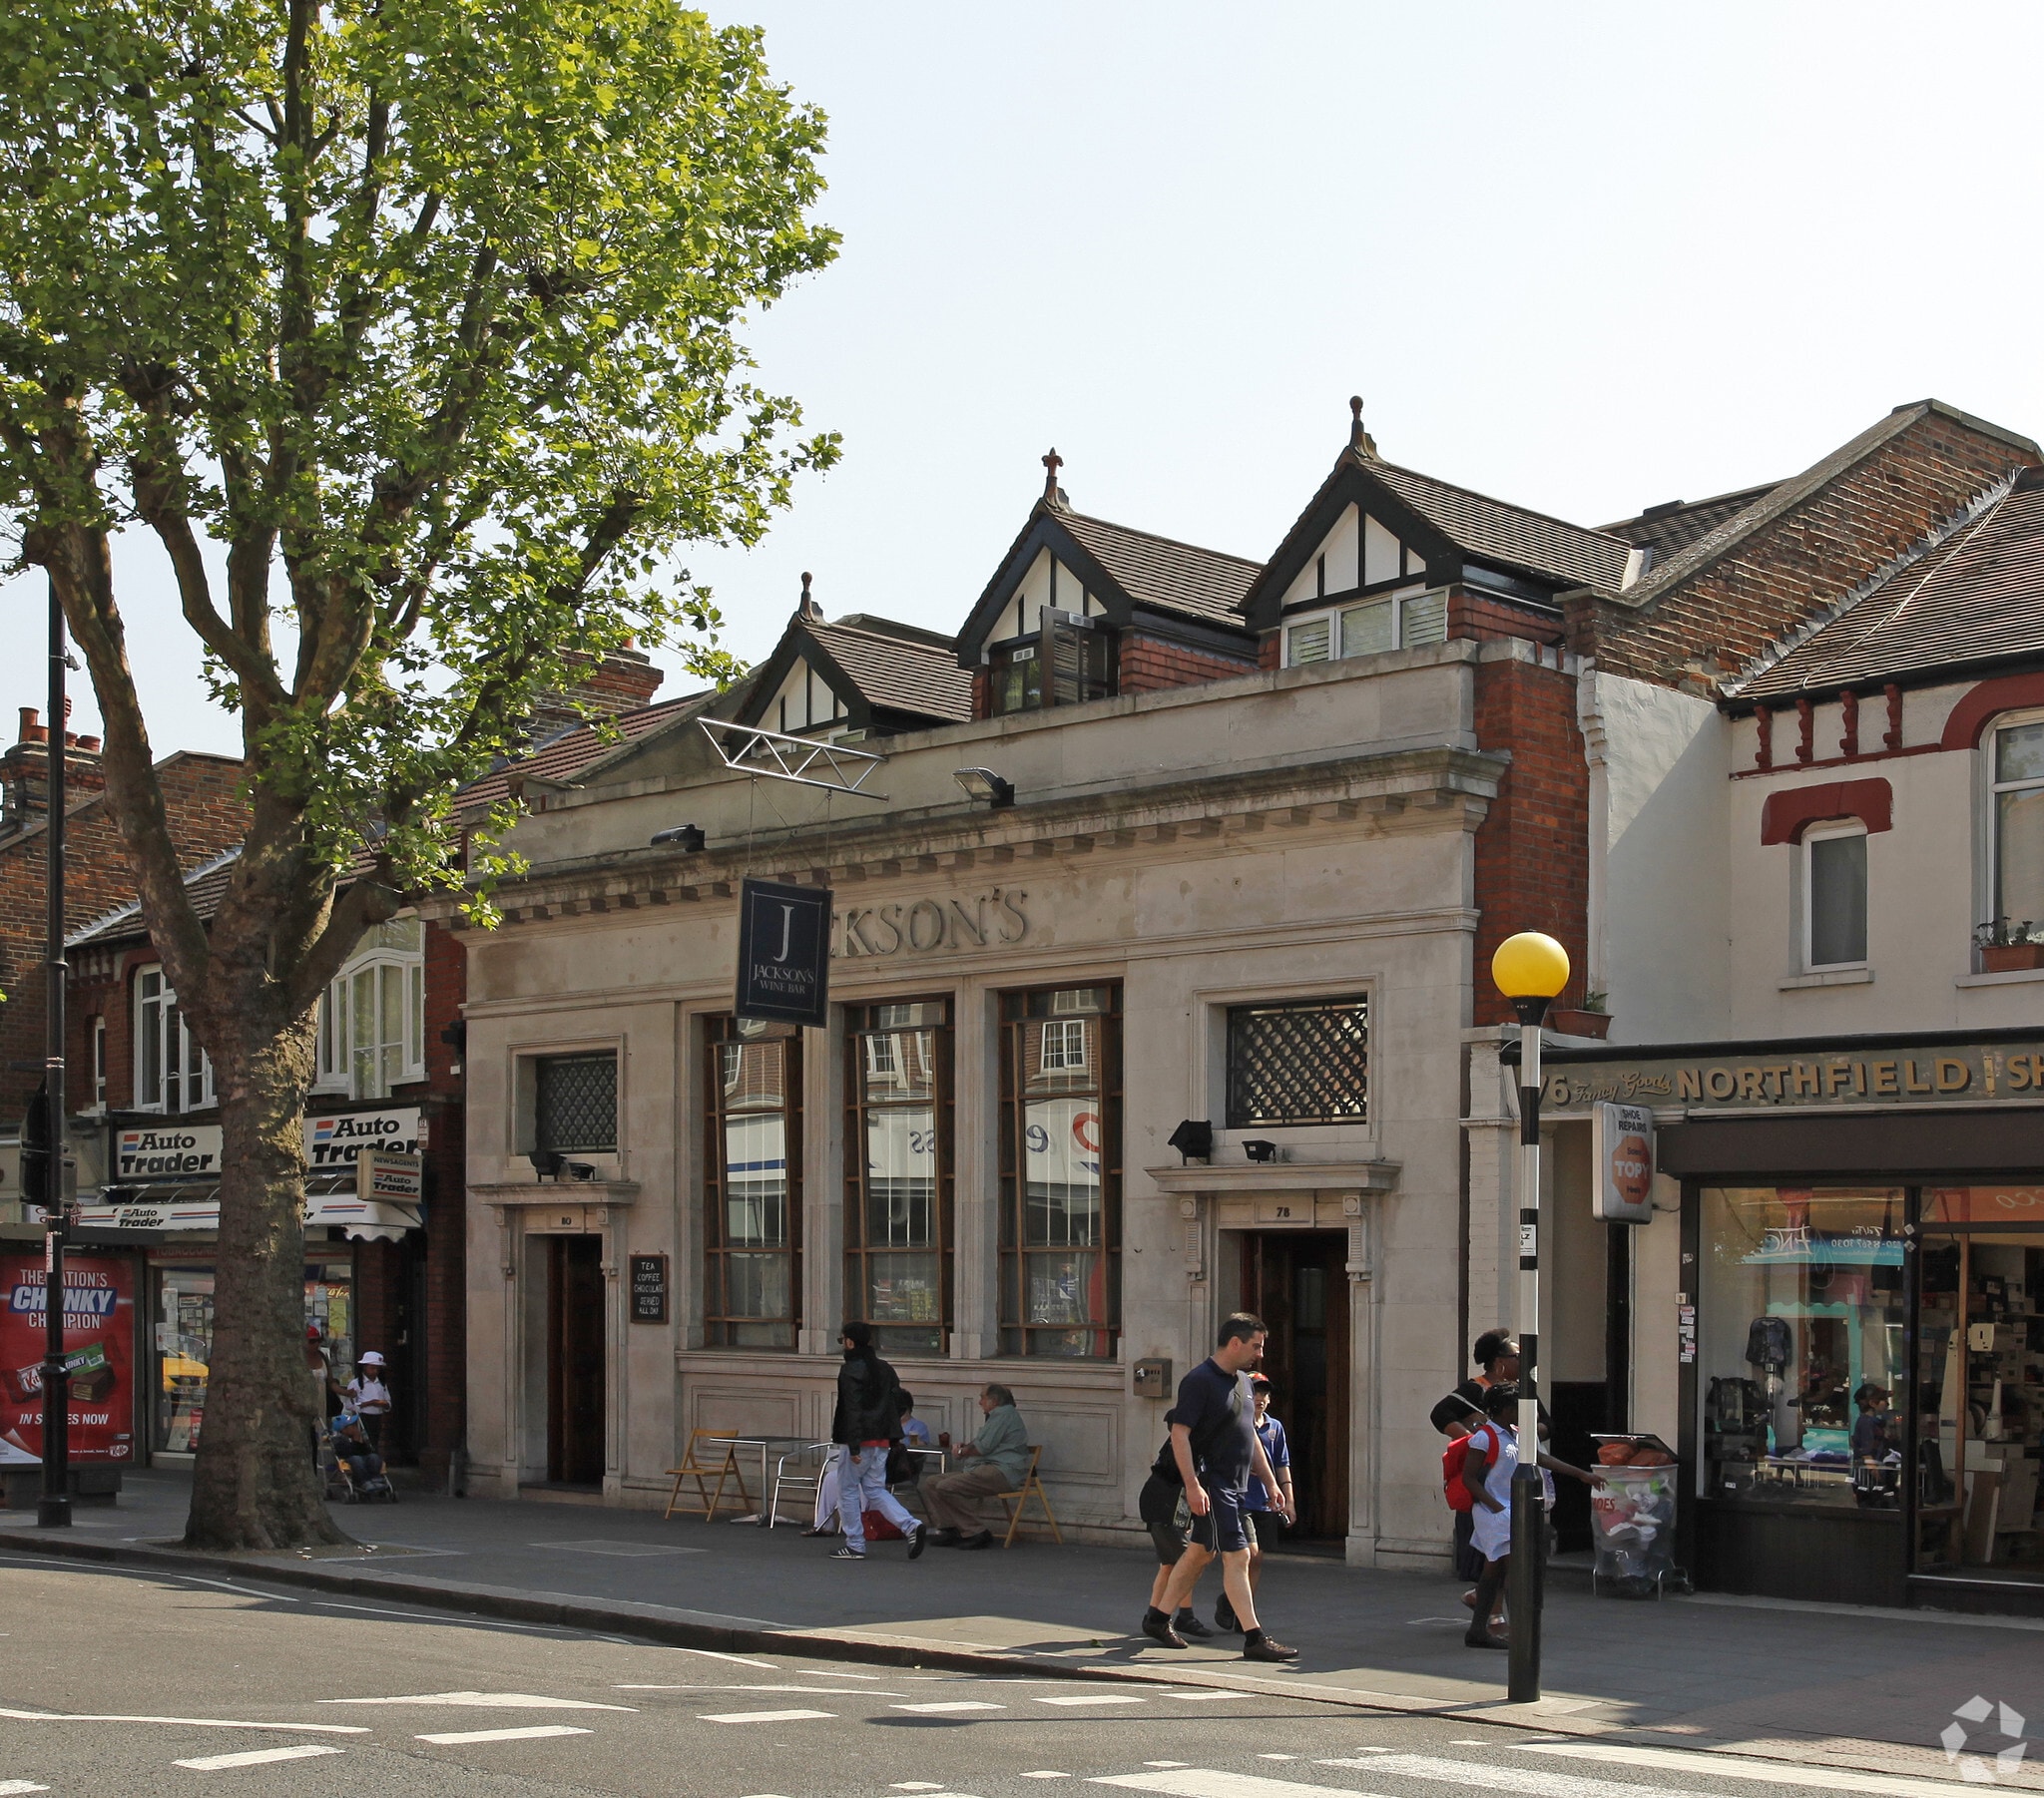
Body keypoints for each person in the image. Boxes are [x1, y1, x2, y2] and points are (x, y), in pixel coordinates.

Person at [1146, 1313, 1297, 1662]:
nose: (1260, 1354)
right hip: (1214, 1485)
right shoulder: (1199, 1380)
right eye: (1256, 1346)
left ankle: (1157, 1618)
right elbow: (1180, 1433)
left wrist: (1271, 1482)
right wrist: (1193, 1485)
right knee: (1239, 1555)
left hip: (1236, 1488)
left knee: (1200, 1553)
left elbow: (1251, 1438)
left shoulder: (1244, 1382)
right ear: (1235, 1343)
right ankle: (1254, 1637)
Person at [1460, 1382, 1601, 1650]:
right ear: (1505, 1409)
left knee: (1494, 1570)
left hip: (1512, 1509)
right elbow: (1469, 1478)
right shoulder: (1484, 1437)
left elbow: (1540, 1459)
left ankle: (1478, 1630)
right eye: (1518, 1407)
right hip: (1494, 1512)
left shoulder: (1518, 1434)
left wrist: (1582, 1474)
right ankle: (1520, 1632)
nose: (1524, 1412)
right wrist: (1496, 1507)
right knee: (1516, 1569)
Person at [828, 1322, 926, 1564]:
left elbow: (852, 1409)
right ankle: (910, 1524)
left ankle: (855, 1543)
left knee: (847, 1489)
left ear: (850, 1342)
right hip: (882, 1438)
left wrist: (853, 1445)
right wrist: (893, 1437)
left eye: (842, 1340)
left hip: (860, 1438)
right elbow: (897, 1403)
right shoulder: (884, 1368)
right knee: (874, 1489)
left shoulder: (850, 1370)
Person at [1217, 1373, 1293, 1634]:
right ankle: (1236, 1605)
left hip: (1265, 1501)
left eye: (1265, 1393)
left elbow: (1282, 1464)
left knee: (1257, 1559)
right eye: (1256, 1392)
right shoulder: (1236, 1423)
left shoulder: (1274, 1427)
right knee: (1248, 1552)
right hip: (1240, 1498)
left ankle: (1237, 1608)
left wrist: (1289, 1499)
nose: (1261, 1398)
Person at [920, 1384, 1030, 1550]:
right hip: (988, 1468)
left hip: (1001, 1471)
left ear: (994, 1400)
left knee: (946, 1486)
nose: (980, 1402)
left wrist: (961, 1452)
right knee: (931, 1482)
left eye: (982, 1397)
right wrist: (965, 1448)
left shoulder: (1003, 1414)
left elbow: (983, 1448)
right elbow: (981, 1442)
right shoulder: (999, 1416)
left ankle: (976, 1531)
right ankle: (950, 1528)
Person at [345, 1350, 393, 1452]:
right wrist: (369, 1403)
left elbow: (388, 1403)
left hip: (377, 1417)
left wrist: (382, 1403)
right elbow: (349, 1405)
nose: (375, 1371)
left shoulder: (381, 1384)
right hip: (363, 1417)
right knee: (363, 1442)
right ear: (364, 1367)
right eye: (372, 1368)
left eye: (377, 1369)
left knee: (374, 1443)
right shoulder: (355, 1384)